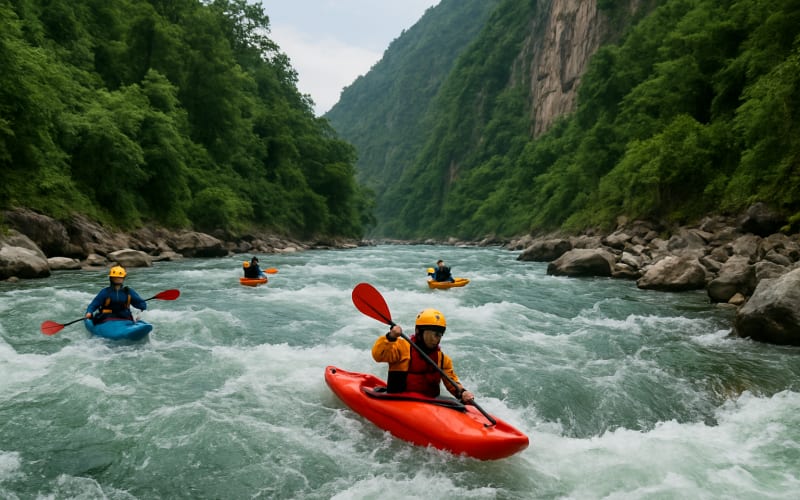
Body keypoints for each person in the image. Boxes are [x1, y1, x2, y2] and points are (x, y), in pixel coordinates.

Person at [371, 308, 474, 403]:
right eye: (431, 334)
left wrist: (462, 393)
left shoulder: (442, 358)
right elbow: (378, 355)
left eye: (439, 335)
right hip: (400, 401)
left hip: (428, 403)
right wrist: (391, 337)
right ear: (418, 332)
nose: (435, 339)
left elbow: (451, 382)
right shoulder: (401, 348)